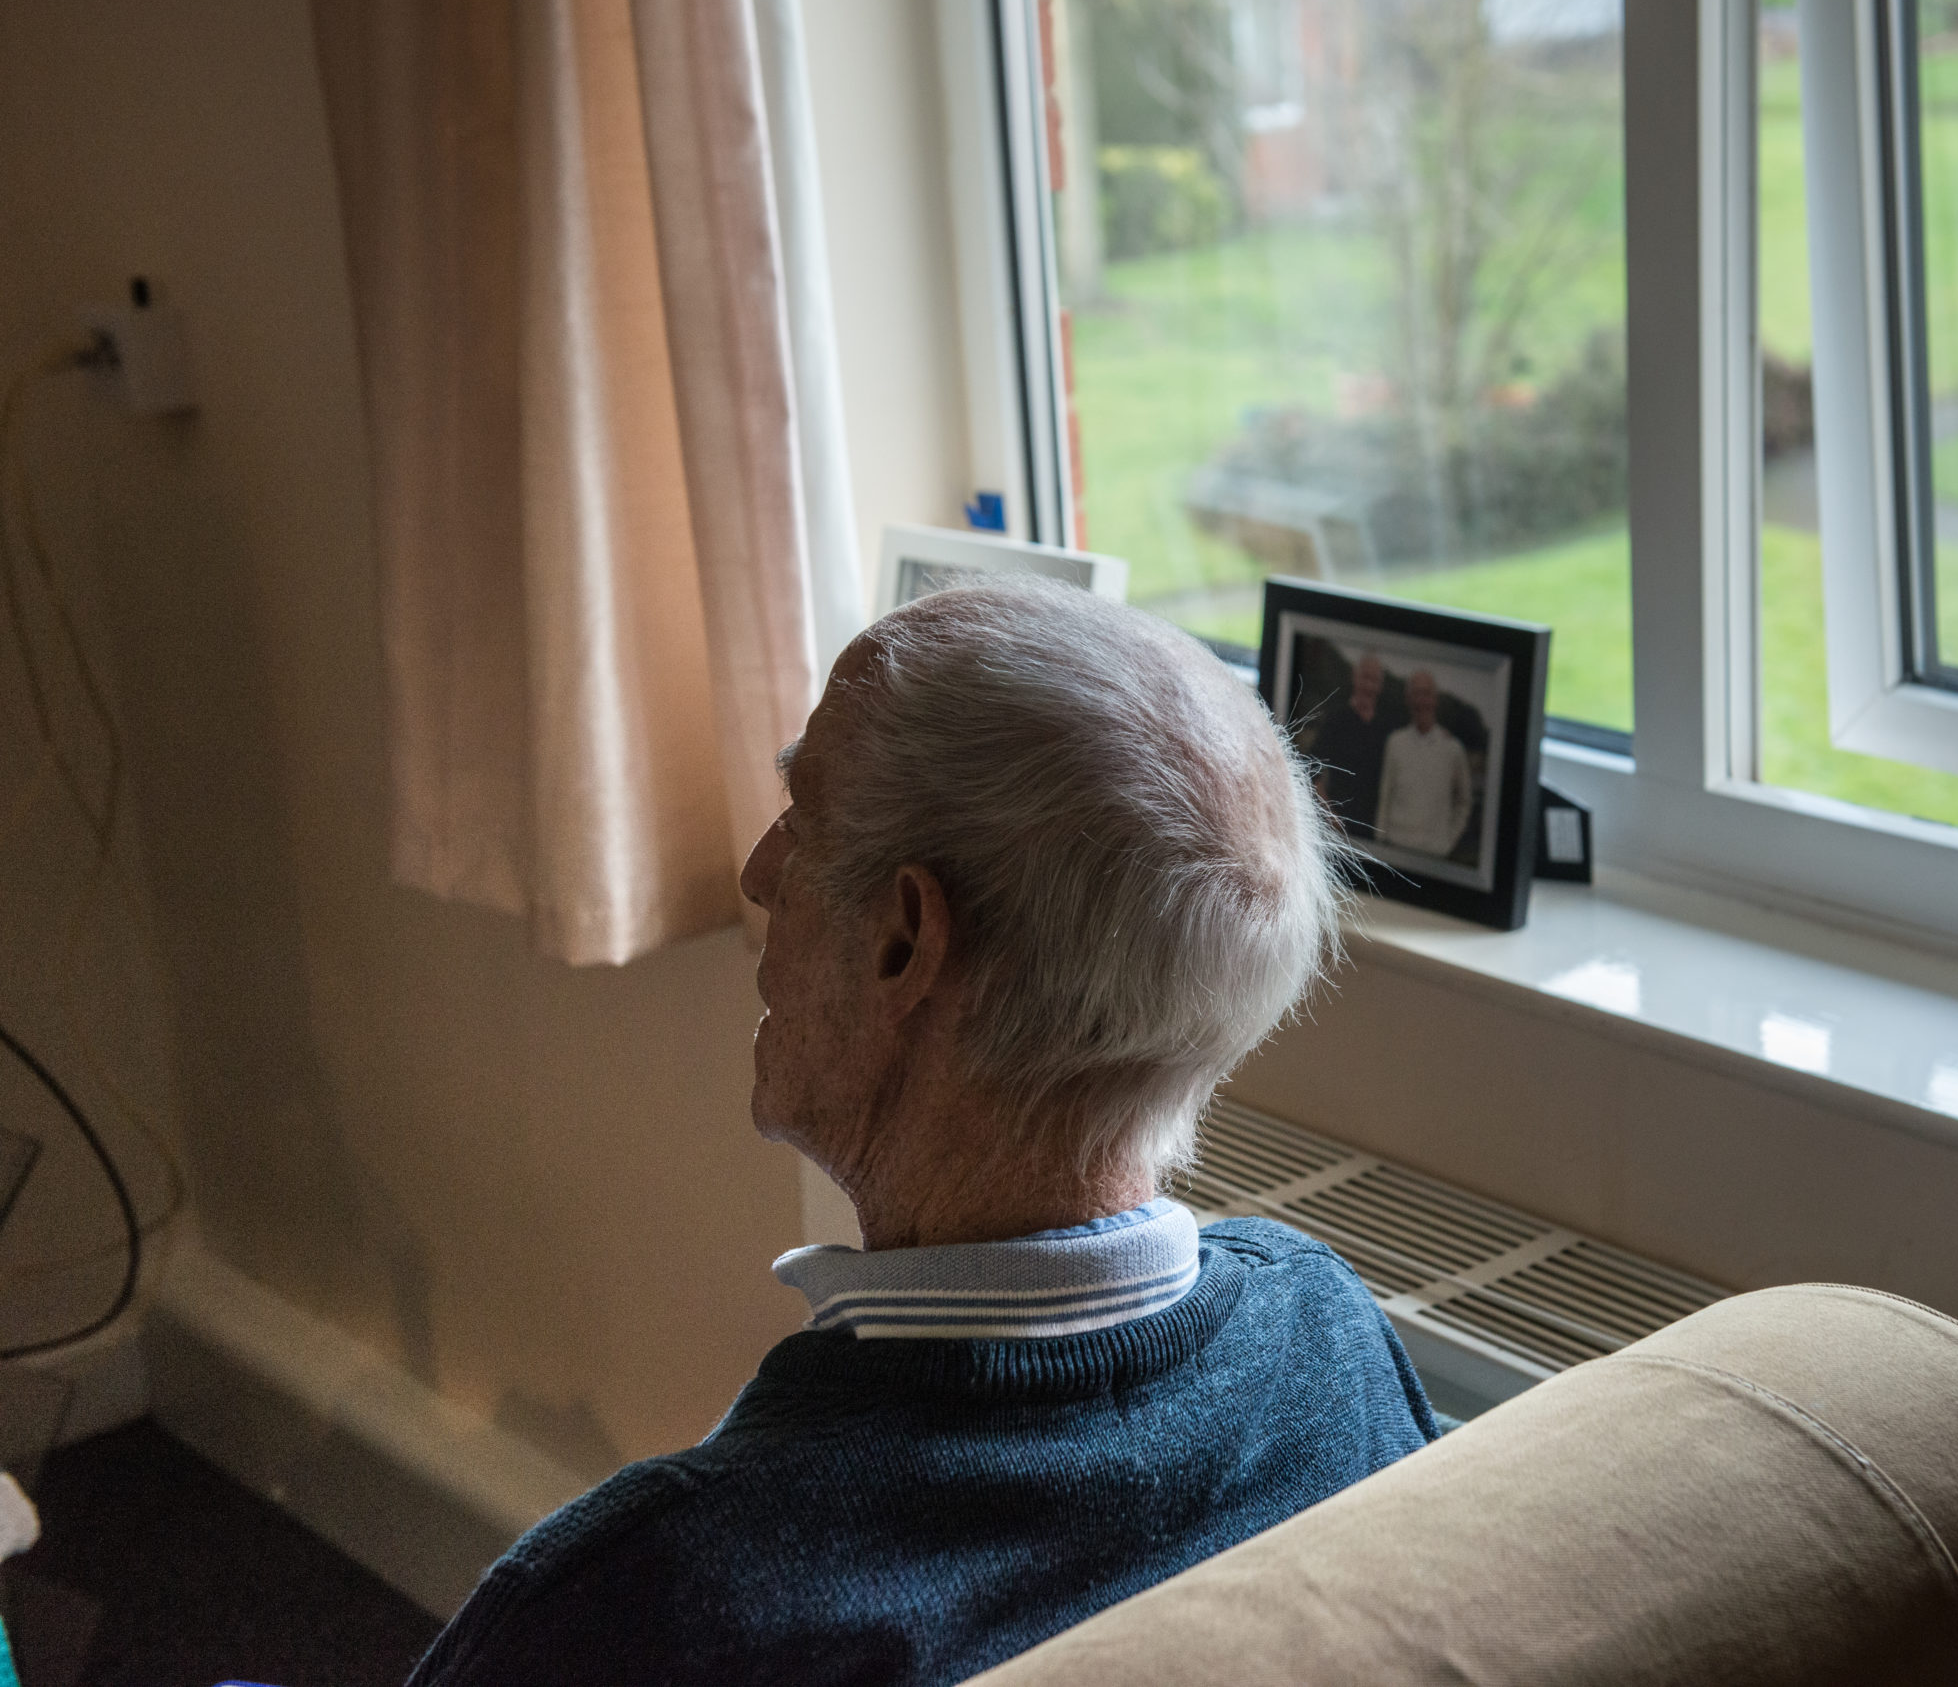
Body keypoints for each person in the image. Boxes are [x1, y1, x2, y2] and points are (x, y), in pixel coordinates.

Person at [406, 581, 1440, 1687]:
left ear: (906, 939)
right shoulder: (1336, 1340)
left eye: (801, 814)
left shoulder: (648, 1604)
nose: (760, 872)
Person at [1375, 670, 1473, 859]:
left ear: (1434, 699)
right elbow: (1385, 794)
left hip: (1435, 852)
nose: (1421, 701)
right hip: (1395, 846)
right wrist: (1380, 839)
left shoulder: (1452, 748)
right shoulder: (1395, 742)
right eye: (1416, 694)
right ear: (1408, 699)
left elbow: (1464, 801)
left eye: (1426, 693)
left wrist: (1448, 841)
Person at [1303, 650, 1391, 836]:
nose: (1369, 686)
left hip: (1376, 830)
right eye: (1365, 678)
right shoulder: (1336, 720)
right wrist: (1329, 814)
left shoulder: (1387, 728)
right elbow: (1312, 769)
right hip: (1339, 828)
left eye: (1374, 680)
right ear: (1355, 678)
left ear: (1380, 686)